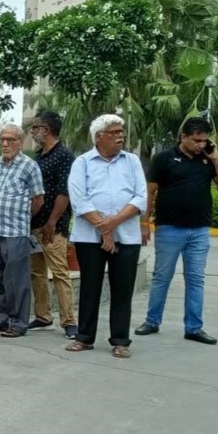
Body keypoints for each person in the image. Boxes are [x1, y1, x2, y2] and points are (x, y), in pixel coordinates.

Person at [136, 117, 218, 345]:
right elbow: (149, 192)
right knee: (162, 277)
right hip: (169, 229)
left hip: (199, 230)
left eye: (204, 141)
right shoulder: (164, 159)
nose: (201, 145)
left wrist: (216, 160)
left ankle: (194, 328)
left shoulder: (207, 160)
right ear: (183, 137)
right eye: (196, 140)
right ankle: (152, 321)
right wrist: (144, 224)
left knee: (196, 279)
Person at [66, 114, 146, 359]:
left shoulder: (132, 161)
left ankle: (120, 340)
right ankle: (84, 337)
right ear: (99, 137)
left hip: (127, 237)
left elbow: (140, 197)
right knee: (90, 287)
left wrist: (111, 224)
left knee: (123, 289)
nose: (120, 136)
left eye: (121, 131)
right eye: (114, 132)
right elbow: (79, 200)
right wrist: (105, 230)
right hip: (89, 237)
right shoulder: (82, 162)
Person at [0, 124, 45, 338]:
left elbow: (38, 199)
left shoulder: (29, 166)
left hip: (15, 231)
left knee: (16, 280)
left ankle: (18, 323)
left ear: (20, 142)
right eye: (2, 139)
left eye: (9, 139)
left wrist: (22, 217)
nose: (5, 143)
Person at [28, 110, 78, 339]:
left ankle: (69, 321)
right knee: (37, 272)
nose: (32, 132)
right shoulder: (39, 157)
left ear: (46, 130)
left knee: (59, 273)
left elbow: (64, 192)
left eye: (35, 127)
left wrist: (52, 222)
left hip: (53, 227)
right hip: (34, 226)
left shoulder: (64, 156)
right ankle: (43, 316)